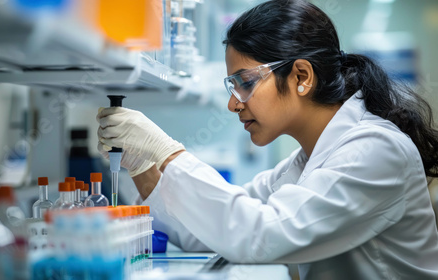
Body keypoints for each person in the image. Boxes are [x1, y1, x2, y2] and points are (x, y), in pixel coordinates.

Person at [96, 0, 438, 278]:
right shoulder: (306, 161)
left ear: (301, 76)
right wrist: (142, 163)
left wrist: (166, 152)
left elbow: (257, 236)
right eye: (231, 87)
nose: (233, 103)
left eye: (244, 82)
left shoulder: (375, 150)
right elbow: (204, 230)